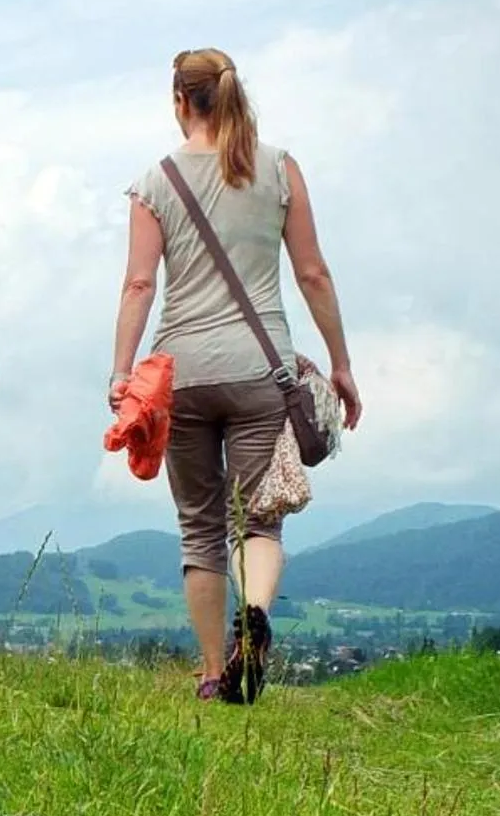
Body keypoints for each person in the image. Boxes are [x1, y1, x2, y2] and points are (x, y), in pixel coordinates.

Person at [111, 48, 362, 703]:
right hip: (261, 370)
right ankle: (254, 614)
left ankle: (212, 671)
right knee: (260, 520)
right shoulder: (279, 169)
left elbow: (140, 282)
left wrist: (121, 369)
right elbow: (313, 274)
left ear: (178, 101)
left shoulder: (155, 180)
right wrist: (340, 363)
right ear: (230, 96)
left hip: (182, 373)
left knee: (199, 527)